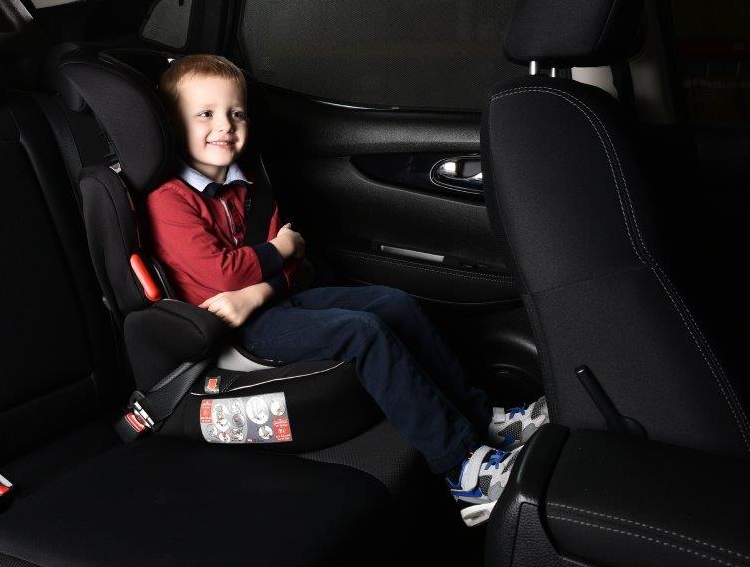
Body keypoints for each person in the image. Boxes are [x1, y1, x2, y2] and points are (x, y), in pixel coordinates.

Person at [144, 53, 548, 525]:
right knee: (363, 332)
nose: (225, 126)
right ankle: (461, 468)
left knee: (393, 303)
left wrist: (261, 288)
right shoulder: (168, 200)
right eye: (205, 114)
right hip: (233, 332)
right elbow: (226, 275)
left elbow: (296, 267)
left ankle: (481, 417)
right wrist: (278, 252)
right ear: (172, 125)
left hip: (268, 304)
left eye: (237, 113)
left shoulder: (247, 186)